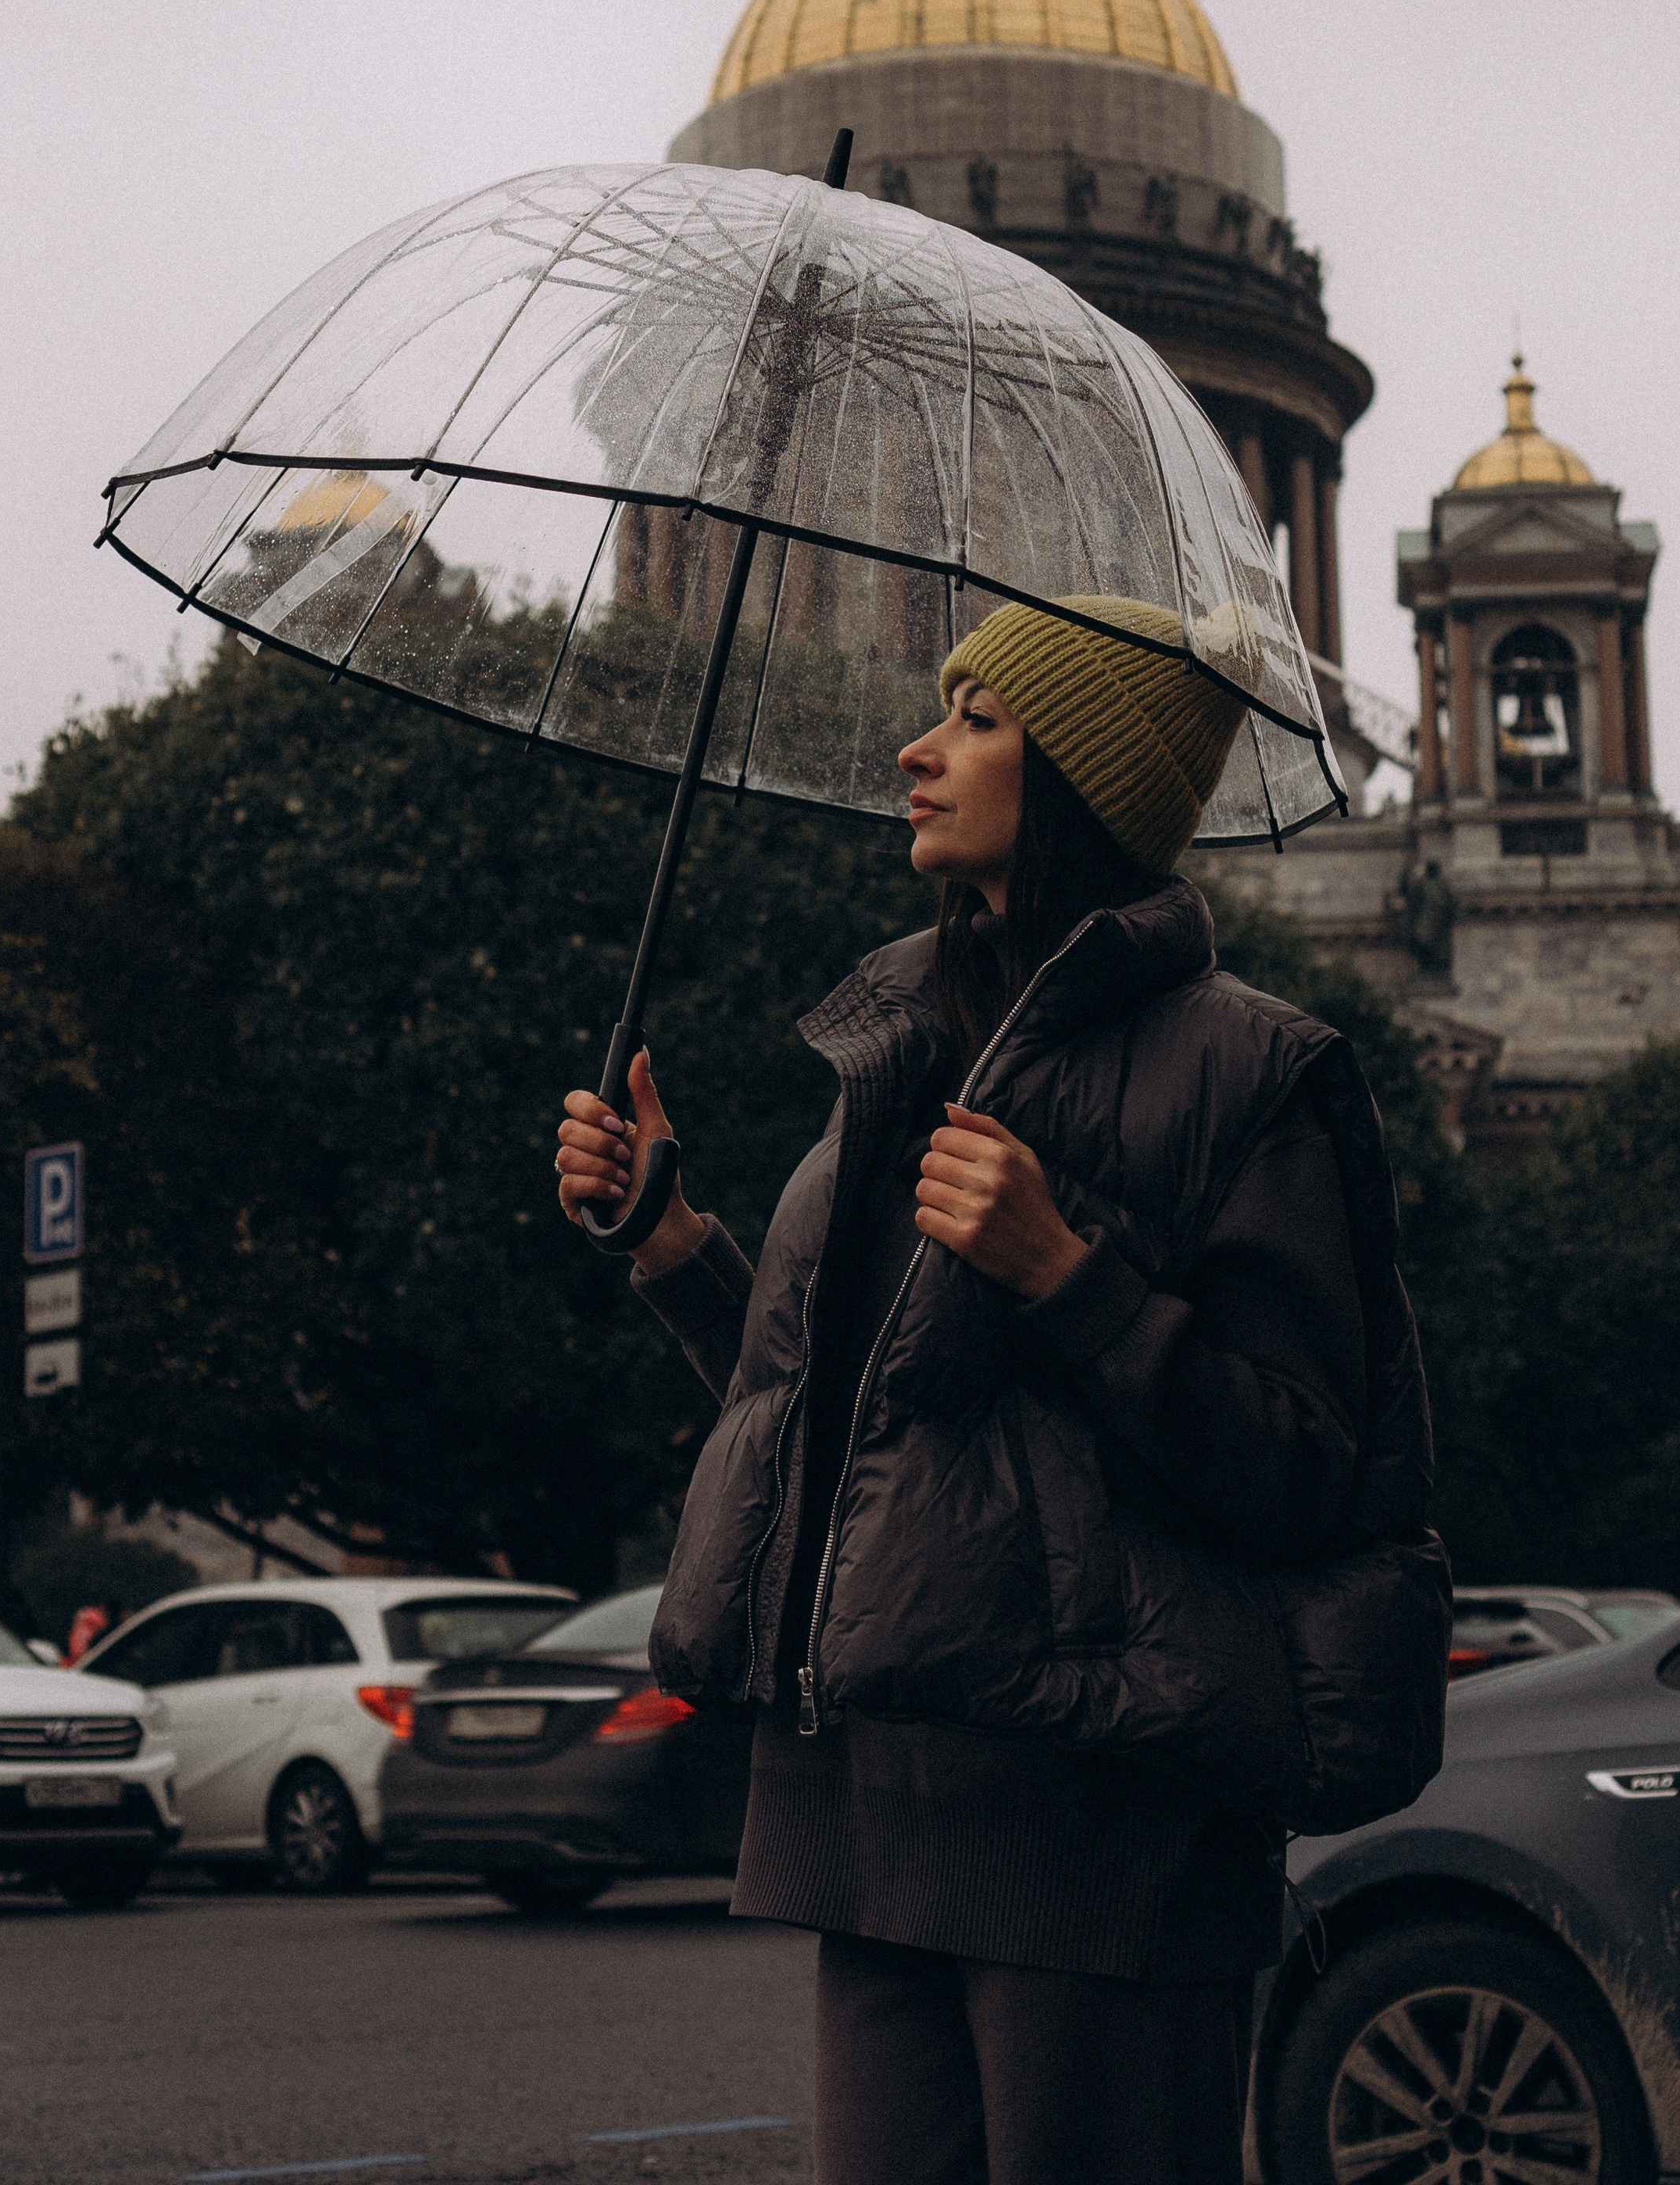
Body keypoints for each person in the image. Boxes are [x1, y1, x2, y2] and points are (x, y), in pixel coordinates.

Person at [555, 596, 1436, 2185]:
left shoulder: (1249, 1068)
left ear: (1086, 777)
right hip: (869, 1804)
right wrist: (671, 1242)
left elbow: (1313, 1469)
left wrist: (1067, 1276)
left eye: (974, 717)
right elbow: (858, 1421)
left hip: (1095, 1828)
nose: (916, 747)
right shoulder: (899, 1044)